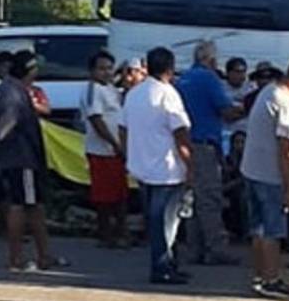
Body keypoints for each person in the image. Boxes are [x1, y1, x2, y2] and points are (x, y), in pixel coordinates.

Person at [241, 57, 289, 299]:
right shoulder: (285, 104)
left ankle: (259, 275)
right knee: (272, 231)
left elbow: (286, 128)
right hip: (270, 175)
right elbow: (287, 150)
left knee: (257, 228)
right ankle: (271, 279)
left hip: (251, 170)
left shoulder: (269, 92)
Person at [120, 46, 194, 284]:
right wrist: (190, 164)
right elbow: (181, 132)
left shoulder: (134, 94)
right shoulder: (168, 94)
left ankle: (168, 263)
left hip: (142, 167)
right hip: (167, 169)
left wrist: (128, 153)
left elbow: (122, 128)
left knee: (155, 220)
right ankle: (162, 267)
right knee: (166, 223)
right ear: (170, 69)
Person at [0, 50, 64, 273]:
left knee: (32, 207)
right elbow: (5, 125)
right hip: (21, 159)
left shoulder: (12, 88)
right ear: (29, 70)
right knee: (22, 207)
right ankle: (17, 259)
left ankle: (44, 255)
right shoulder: (12, 93)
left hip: (20, 158)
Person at [175, 40, 244, 266]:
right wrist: (246, 108)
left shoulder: (183, 79)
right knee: (210, 199)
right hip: (204, 144)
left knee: (193, 198)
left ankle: (195, 248)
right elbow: (226, 111)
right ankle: (215, 248)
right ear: (211, 60)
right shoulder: (208, 78)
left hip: (183, 142)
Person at [81, 51, 129, 249]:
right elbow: (96, 120)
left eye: (109, 68)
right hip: (102, 150)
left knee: (120, 193)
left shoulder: (110, 88)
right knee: (104, 196)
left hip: (115, 150)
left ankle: (120, 231)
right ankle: (105, 234)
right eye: (101, 68)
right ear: (92, 71)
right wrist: (114, 143)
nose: (106, 72)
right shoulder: (92, 90)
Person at [225, 57, 253, 135]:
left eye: (243, 72)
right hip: (226, 131)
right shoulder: (220, 88)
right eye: (237, 72)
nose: (241, 75)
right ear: (228, 72)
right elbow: (225, 113)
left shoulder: (251, 88)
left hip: (245, 132)